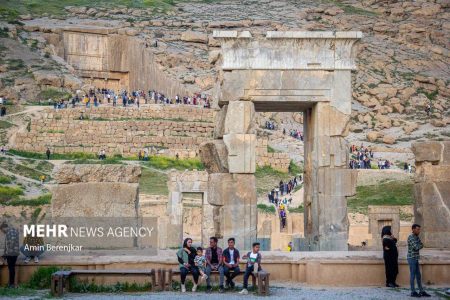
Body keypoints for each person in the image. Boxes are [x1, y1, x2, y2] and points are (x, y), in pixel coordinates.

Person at [407, 224, 431, 297]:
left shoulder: (416, 237)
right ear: (413, 229)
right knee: (412, 275)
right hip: (411, 258)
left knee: (418, 276)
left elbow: (421, 245)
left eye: (419, 229)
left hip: (416, 258)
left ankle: (421, 291)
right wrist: (419, 245)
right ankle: (413, 292)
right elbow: (416, 247)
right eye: (417, 229)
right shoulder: (411, 237)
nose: (419, 231)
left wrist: (419, 245)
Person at [1, 222, 20, 288]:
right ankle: (11, 283)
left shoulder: (10, 232)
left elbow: (11, 244)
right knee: (11, 268)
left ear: (4, 228)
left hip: (12, 253)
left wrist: (6, 254)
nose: (3, 232)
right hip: (13, 253)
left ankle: (11, 284)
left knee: (11, 268)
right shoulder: (13, 231)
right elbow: (8, 244)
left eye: (3, 230)